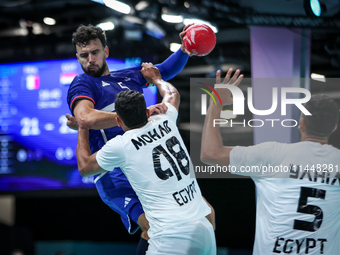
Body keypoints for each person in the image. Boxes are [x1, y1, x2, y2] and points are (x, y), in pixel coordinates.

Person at [66, 24, 196, 254]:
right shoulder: (83, 83)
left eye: (94, 52)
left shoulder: (128, 75)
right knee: (151, 224)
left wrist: (185, 49)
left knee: (172, 220)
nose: (90, 60)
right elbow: (85, 117)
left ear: (106, 51)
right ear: (78, 57)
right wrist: (134, 116)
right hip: (114, 172)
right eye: (83, 56)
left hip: (145, 166)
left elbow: (164, 71)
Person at [76, 63, 216, 255]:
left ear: (118, 121)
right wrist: (157, 79)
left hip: (171, 238)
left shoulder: (121, 145)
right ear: (148, 111)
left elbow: (85, 167)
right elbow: (173, 94)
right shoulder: (164, 118)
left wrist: (82, 126)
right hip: (204, 229)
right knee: (208, 209)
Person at [200, 69, 340, 255]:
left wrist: (216, 104)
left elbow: (210, 153)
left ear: (302, 123)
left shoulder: (272, 155)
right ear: (334, 127)